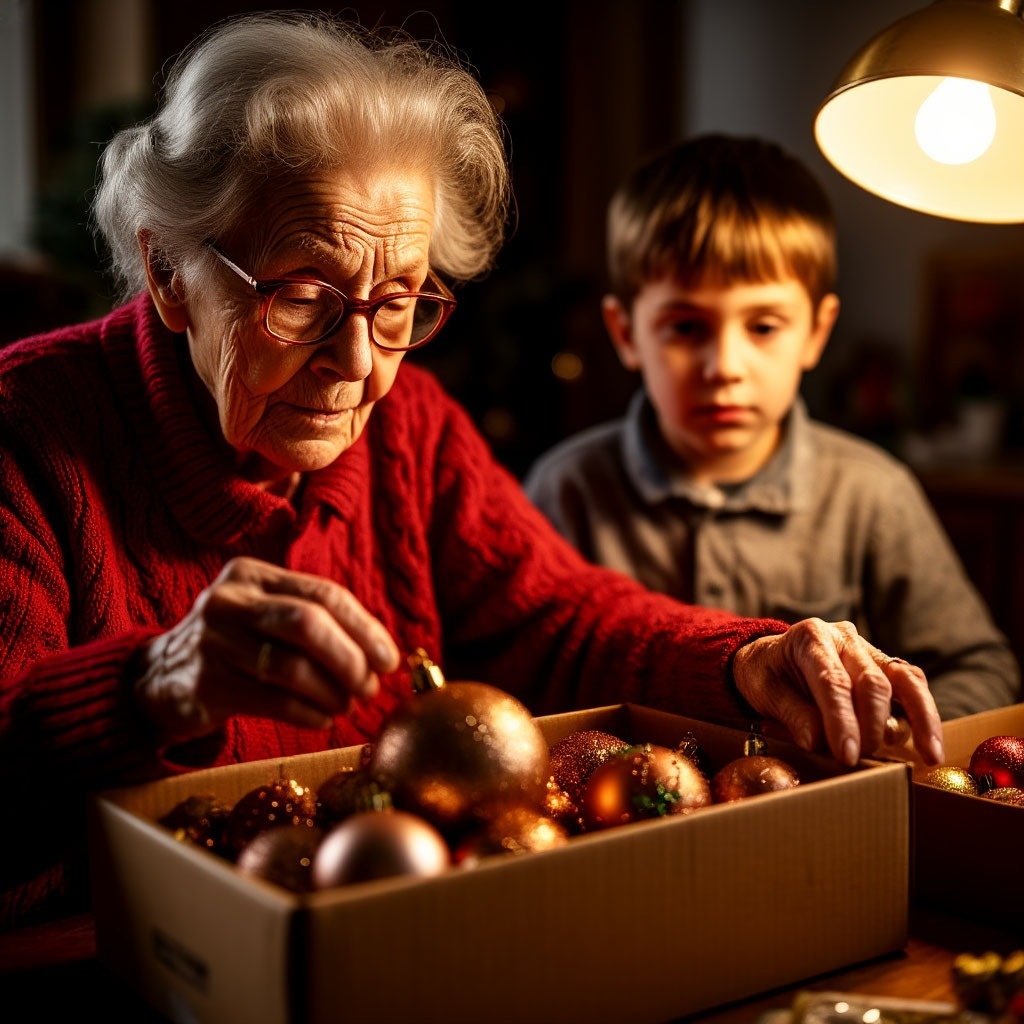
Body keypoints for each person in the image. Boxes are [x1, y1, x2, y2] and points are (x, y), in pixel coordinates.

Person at [0, 15, 943, 931]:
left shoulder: (408, 427)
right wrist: (153, 685)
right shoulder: (26, 432)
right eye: (300, 299)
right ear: (166, 271)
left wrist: (744, 660)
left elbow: (563, 616)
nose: (361, 364)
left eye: (400, 301)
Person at [523, 133, 1020, 722]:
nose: (725, 368)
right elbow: (532, 678)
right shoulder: (567, 490)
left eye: (763, 327)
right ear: (626, 331)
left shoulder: (872, 494)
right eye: (685, 328)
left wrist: (888, 732)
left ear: (815, 330)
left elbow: (983, 668)